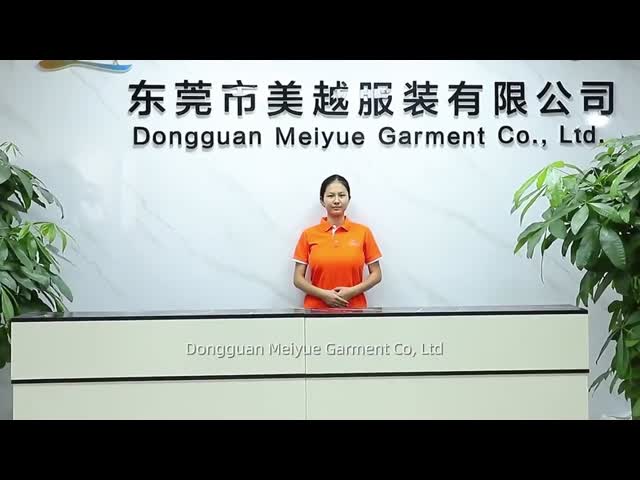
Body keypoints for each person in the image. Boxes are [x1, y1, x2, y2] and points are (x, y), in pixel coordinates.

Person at [292, 174, 382, 309]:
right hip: (316, 311)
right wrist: (324, 295)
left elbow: (376, 274)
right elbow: (298, 279)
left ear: (348, 199)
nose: (336, 200)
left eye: (341, 195)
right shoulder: (308, 234)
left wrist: (352, 292)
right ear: (322, 200)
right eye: (330, 196)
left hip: (354, 310)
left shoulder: (363, 232)